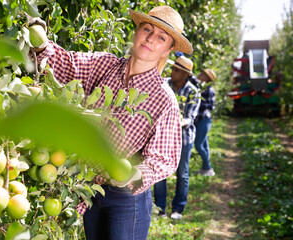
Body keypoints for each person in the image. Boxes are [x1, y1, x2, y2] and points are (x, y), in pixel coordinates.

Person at [29, 5, 192, 240]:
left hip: (126, 197)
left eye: (161, 37)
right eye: (147, 29)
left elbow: (164, 159)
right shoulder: (105, 65)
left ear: (168, 49)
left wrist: (133, 174)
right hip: (89, 189)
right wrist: (39, 39)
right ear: (136, 32)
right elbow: (64, 62)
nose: (150, 39)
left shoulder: (163, 97)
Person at [154, 55, 200, 220]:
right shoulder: (164, 84)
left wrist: (175, 120)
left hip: (184, 138)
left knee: (182, 173)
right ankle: (159, 209)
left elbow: (190, 118)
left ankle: (178, 209)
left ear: (185, 74)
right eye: (173, 69)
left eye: (177, 71)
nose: (172, 72)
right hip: (163, 137)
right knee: (159, 172)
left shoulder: (193, 92)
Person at [194, 69, 216, 176]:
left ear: (207, 79)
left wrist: (197, 103)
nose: (200, 75)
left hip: (204, 120)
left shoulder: (208, 90)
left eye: (203, 74)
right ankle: (205, 169)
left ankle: (208, 167)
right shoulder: (199, 87)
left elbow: (211, 106)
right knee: (204, 145)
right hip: (199, 120)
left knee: (198, 145)